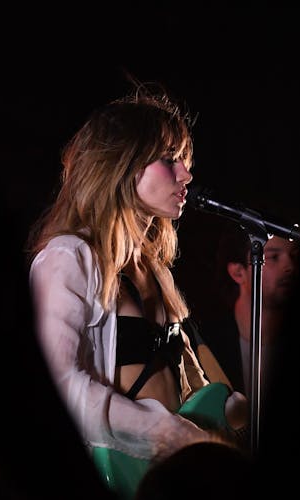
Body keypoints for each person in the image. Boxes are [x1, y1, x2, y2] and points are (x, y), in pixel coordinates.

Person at [26, 81, 249, 497]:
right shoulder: (69, 257)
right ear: (121, 166)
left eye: (185, 161)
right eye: (169, 159)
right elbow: (59, 383)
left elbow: (198, 386)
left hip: (174, 475)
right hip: (113, 471)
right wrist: (167, 432)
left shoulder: (155, 268)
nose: (186, 174)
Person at [200, 224, 300, 406]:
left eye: (295, 256)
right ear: (238, 272)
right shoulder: (205, 342)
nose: (290, 267)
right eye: (273, 257)